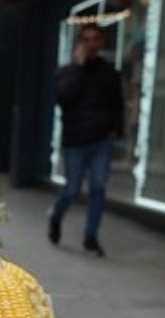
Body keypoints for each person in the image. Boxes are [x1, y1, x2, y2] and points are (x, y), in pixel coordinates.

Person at [50, 24, 123, 256]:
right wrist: (79, 68)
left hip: (101, 139)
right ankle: (56, 216)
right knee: (72, 189)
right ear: (80, 43)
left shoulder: (108, 72)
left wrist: (114, 129)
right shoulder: (68, 71)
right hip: (76, 140)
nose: (92, 44)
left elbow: (117, 103)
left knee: (98, 188)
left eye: (96, 39)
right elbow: (64, 97)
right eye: (87, 39)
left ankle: (91, 237)